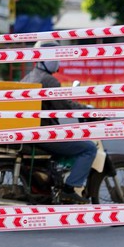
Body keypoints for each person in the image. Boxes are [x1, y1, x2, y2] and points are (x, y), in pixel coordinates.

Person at [21, 43, 96, 204]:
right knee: (89, 148)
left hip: (29, 132)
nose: (57, 62)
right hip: (45, 134)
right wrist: (86, 110)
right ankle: (69, 189)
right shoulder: (49, 80)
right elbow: (63, 105)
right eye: (55, 58)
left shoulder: (28, 77)